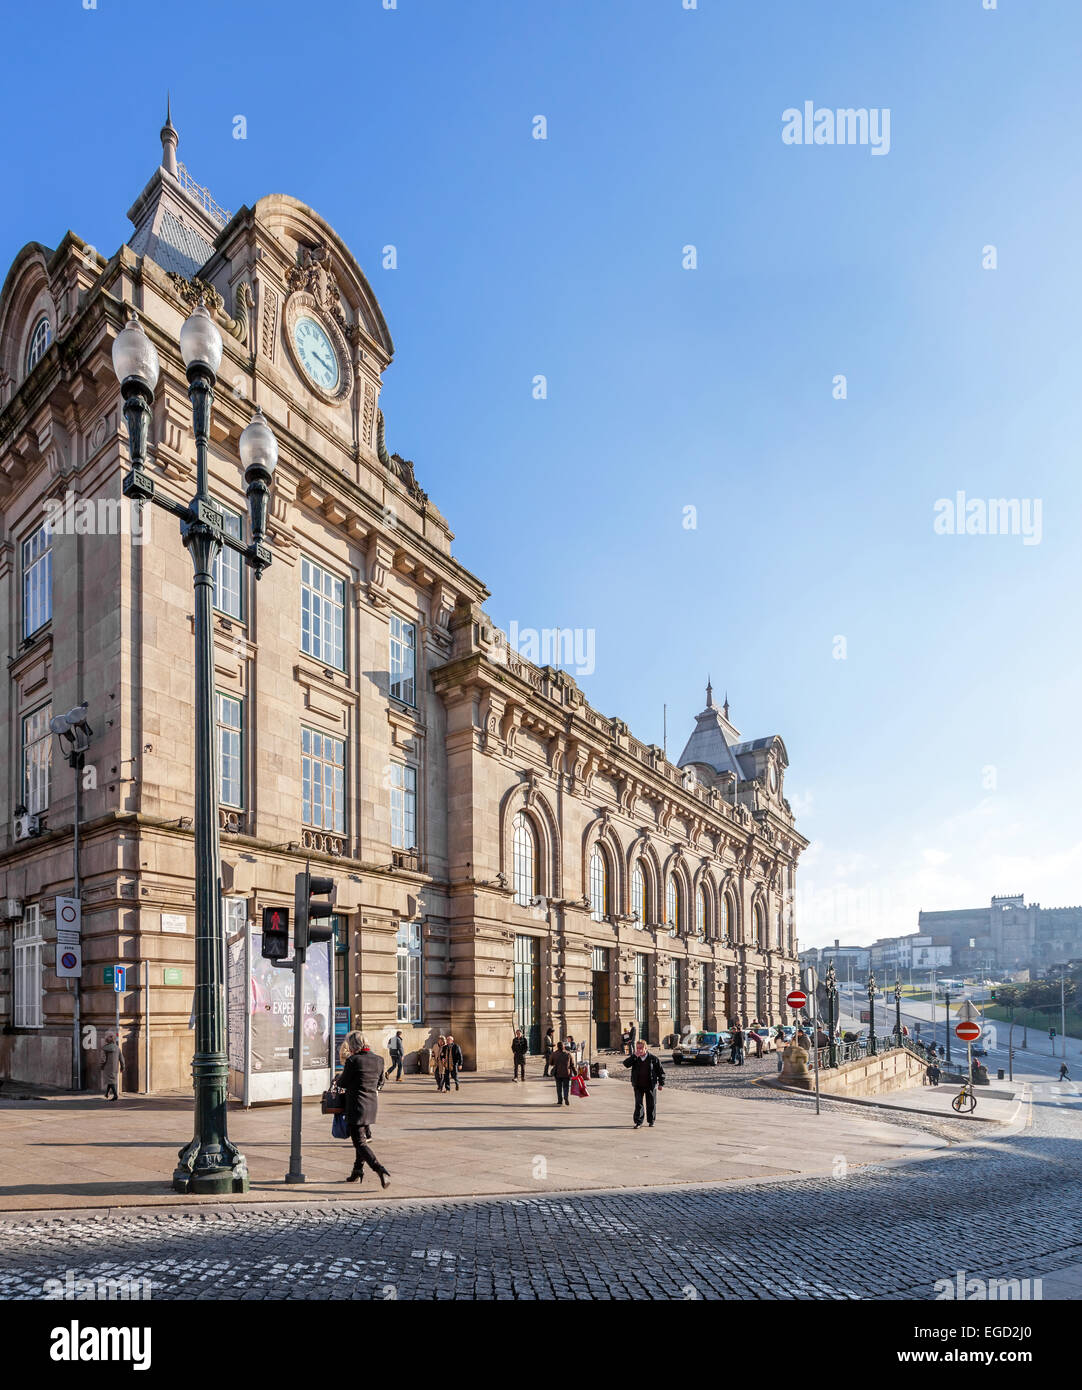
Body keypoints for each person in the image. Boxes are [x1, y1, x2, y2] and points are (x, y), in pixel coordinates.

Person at [337, 1031, 390, 1187]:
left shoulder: (353, 1060)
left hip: (355, 1106)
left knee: (359, 1143)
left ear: (353, 1046)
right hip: (371, 1105)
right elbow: (381, 1082)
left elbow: (343, 1083)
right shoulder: (379, 1060)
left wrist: (338, 1078)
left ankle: (380, 1169)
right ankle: (357, 1172)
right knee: (362, 1140)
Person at [623, 1039, 665, 1128]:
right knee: (638, 1104)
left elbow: (660, 1072)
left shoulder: (653, 1059)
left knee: (651, 1103)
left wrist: (661, 1083)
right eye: (637, 1048)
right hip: (638, 1085)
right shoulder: (635, 1058)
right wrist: (634, 1056)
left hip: (650, 1084)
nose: (639, 1050)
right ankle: (638, 1122)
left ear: (645, 1048)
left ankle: (651, 1121)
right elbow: (626, 1064)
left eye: (641, 1048)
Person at [101, 1033, 123, 1101]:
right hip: (115, 1067)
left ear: (107, 1041)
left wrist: (101, 1065)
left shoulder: (105, 1048)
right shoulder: (117, 1048)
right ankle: (107, 1093)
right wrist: (123, 1066)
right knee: (110, 1080)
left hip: (107, 1067)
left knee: (111, 1081)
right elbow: (121, 1058)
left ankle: (115, 1095)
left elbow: (103, 1059)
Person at [551, 1040, 574, 1106]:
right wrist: (575, 1073)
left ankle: (560, 1100)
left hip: (557, 1073)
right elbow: (572, 1064)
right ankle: (566, 1097)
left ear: (557, 1047)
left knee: (559, 1087)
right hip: (566, 1073)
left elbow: (551, 1062)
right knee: (566, 1086)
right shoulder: (568, 1054)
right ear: (563, 1047)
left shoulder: (554, 1054)